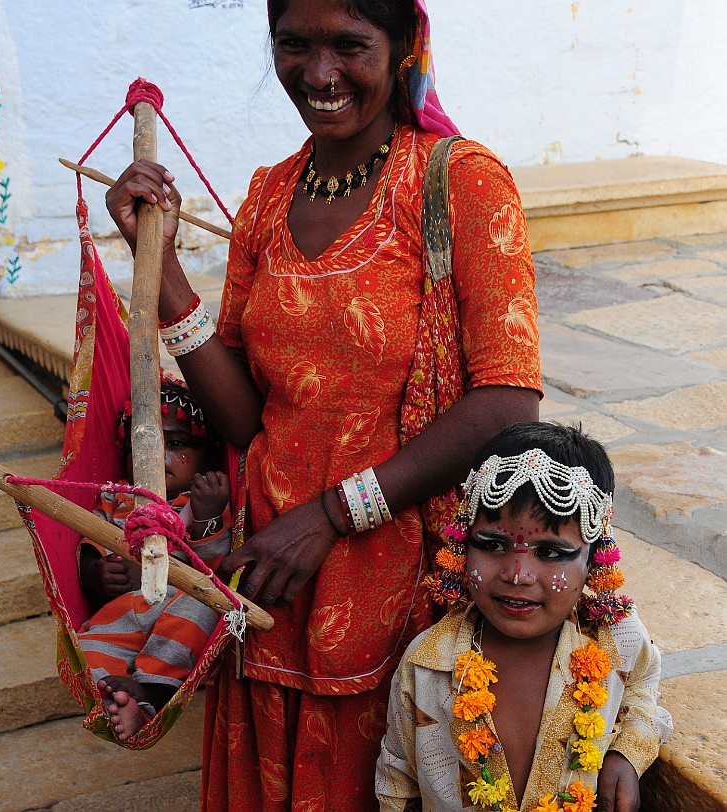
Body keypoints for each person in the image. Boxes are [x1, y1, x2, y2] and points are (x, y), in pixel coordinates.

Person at [105, 0, 542, 807]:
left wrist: (333, 516)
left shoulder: (459, 182)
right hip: (268, 582)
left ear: (406, 47)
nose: (319, 73)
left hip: (399, 589)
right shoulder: (270, 195)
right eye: (293, 45)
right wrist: (159, 267)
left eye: (350, 45)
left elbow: (508, 398)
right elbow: (246, 418)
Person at [376, 422, 672, 812]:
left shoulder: (615, 637)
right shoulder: (427, 664)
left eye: (550, 552)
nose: (517, 575)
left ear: (595, 559)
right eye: (493, 544)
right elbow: (397, 782)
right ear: (463, 547)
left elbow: (644, 686)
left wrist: (627, 752)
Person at [77, 376, 231, 741]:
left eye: (175, 443)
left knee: (203, 604)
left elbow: (214, 563)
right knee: (87, 651)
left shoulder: (205, 499)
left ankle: (153, 694)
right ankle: (121, 702)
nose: (156, 455)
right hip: (124, 615)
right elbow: (90, 542)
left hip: (179, 607)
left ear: (205, 455)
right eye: (141, 444)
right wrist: (95, 573)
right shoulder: (116, 500)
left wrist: (208, 514)